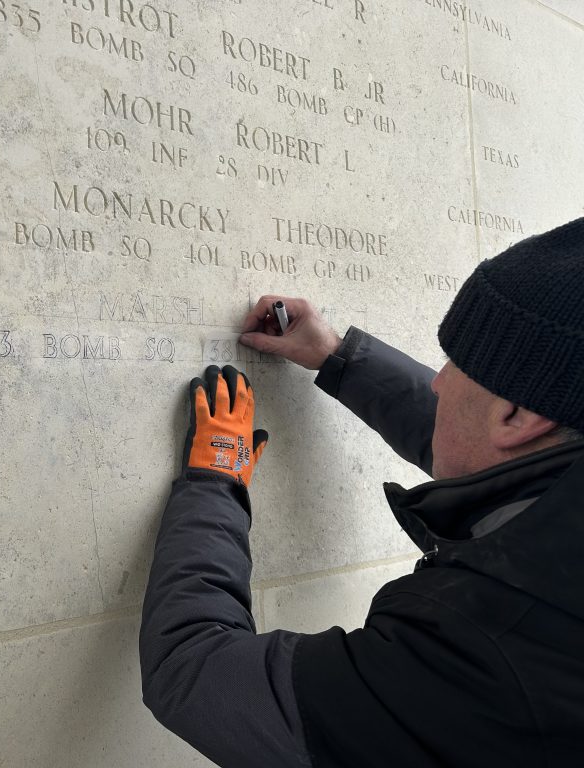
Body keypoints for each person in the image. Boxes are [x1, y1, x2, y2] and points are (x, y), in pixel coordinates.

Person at [139, 217, 584, 767]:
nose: (439, 382)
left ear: (518, 415)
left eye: (457, 363)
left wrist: (215, 480)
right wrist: (338, 358)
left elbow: (195, 675)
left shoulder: (478, 654)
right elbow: (487, 451)